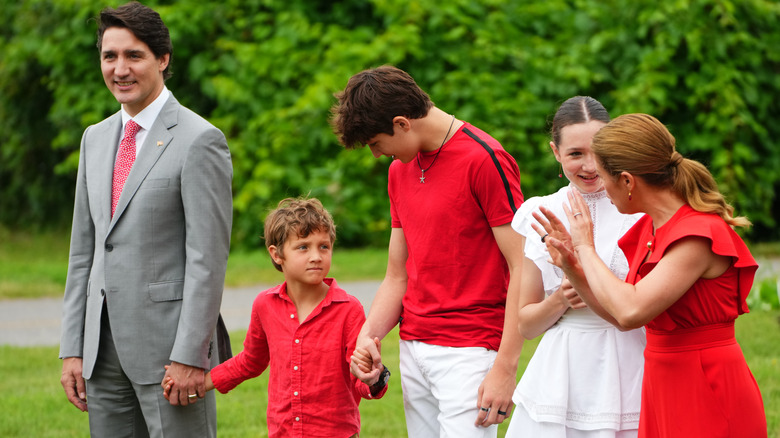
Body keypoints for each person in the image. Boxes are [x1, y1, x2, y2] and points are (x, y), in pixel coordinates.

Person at [58, 2, 233, 437]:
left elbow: (206, 261)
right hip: (100, 350)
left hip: (170, 353)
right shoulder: (94, 140)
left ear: (163, 58)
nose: (120, 69)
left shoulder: (200, 141)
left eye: (134, 55)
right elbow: (83, 252)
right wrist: (73, 348)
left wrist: (191, 354)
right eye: (109, 56)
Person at [534, 113, 767, 437]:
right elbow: (618, 313)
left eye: (604, 176)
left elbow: (631, 311)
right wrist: (573, 263)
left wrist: (586, 246)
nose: (599, 187)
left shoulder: (698, 234)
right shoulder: (649, 229)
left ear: (628, 181)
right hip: (661, 378)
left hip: (705, 380)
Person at [331, 65, 525, 437]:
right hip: (413, 347)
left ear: (402, 123)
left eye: (375, 143)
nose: (375, 154)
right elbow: (396, 275)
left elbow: (523, 266)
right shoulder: (399, 171)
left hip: (470, 350)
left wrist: (505, 367)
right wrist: (368, 335)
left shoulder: (485, 160)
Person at [163, 197, 388, 437]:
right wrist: (199, 383)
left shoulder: (348, 309)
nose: (316, 256)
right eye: (303, 247)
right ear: (277, 254)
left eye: (324, 246)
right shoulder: (265, 305)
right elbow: (250, 361)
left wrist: (374, 378)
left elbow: (361, 379)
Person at [505, 96, 645, 438]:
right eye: (575, 154)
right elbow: (526, 324)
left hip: (632, 357)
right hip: (564, 367)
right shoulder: (541, 212)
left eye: (598, 151)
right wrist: (562, 299)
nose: (590, 166)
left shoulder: (641, 207)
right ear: (556, 152)